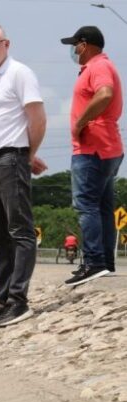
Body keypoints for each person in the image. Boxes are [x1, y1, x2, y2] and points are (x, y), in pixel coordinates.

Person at [0, 23, 47, 330]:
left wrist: (26, 155)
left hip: (9, 158)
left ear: (7, 43)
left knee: (20, 230)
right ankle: (1, 300)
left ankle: (19, 300)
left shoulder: (19, 73)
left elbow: (37, 117)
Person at [60, 26, 124, 286]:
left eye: (75, 45)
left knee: (86, 204)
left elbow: (105, 93)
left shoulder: (98, 66)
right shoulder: (100, 66)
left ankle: (94, 261)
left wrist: (81, 121)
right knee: (103, 207)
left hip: (92, 148)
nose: (73, 50)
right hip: (108, 147)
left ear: (84, 44)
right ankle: (104, 262)